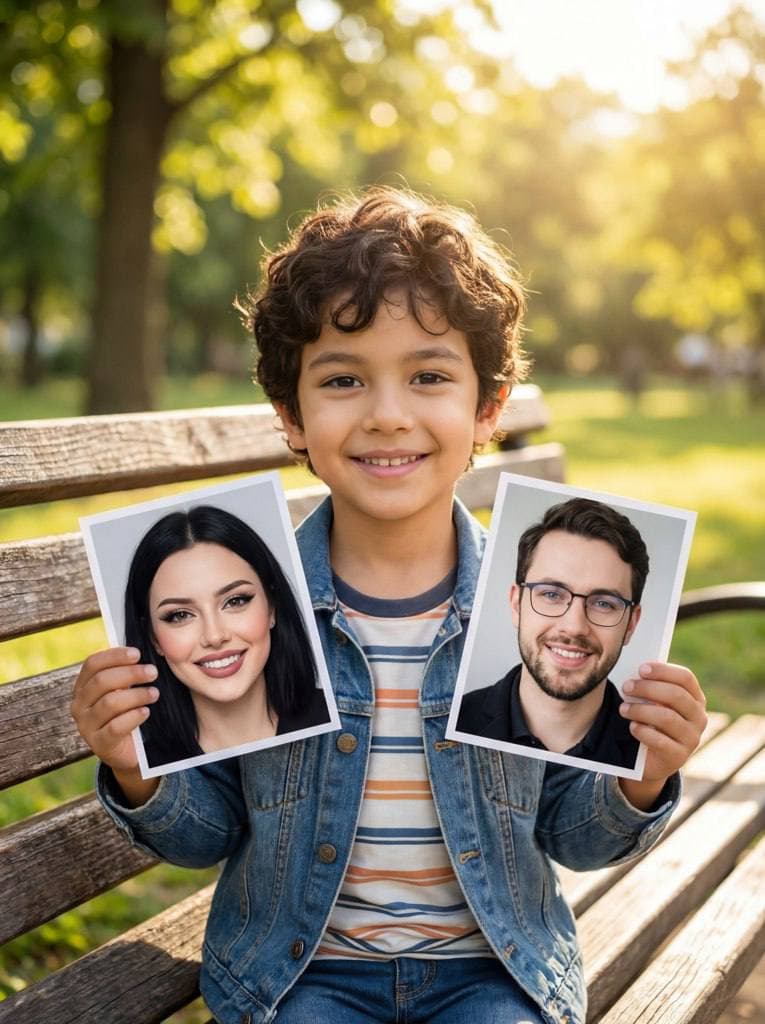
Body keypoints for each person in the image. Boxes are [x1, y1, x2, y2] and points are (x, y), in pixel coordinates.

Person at [71, 187, 707, 1024]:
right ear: (291, 415)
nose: (387, 414)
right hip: (301, 979)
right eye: (342, 379)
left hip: (493, 973)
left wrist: (642, 775)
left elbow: (572, 838)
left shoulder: (536, 619)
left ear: (486, 410)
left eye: (428, 375)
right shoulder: (246, 612)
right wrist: (134, 763)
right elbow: (206, 838)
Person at [124, 505, 329, 767]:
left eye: (235, 601)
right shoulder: (141, 766)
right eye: (179, 615)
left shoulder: (338, 718)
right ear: (153, 637)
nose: (214, 635)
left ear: (272, 608)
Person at [457, 497, 650, 769]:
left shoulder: (649, 755)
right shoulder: (456, 721)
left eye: (603, 603)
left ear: (631, 624)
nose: (574, 627)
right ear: (516, 604)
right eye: (551, 594)